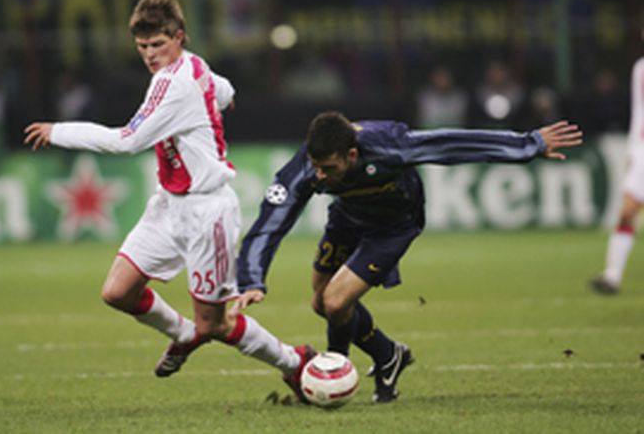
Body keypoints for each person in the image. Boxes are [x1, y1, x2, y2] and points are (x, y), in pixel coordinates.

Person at [24, 0, 315, 401]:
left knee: (217, 323)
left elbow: (127, 141)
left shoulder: (171, 83)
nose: (149, 54)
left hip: (206, 212)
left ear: (179, 36)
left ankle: (295, 362)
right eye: (142, 46)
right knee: (118, 292)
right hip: (168, 204)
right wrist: (222, 103)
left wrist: (60, 131)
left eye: (158, 44)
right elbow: (225, 89)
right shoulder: (195, 66)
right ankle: (184, 334)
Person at [232, 111, 582, 403]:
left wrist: (528, 144)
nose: (319, 176)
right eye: (315, 166)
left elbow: (451, 145)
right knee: (320, 303)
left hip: (392, 226)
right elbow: (272, 221)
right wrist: (251, 278)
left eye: (328, 168)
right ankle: (388, 355)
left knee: (336, 303)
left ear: (352, 156)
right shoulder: (307, 168)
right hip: (347, 218)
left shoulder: (387, 145)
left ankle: (334, 375)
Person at [589, 24, 644, 294]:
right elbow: (639, 114)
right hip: (643, 152)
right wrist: (633, 151)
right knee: (627, 211)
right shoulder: (640, 69)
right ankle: (612, 275)